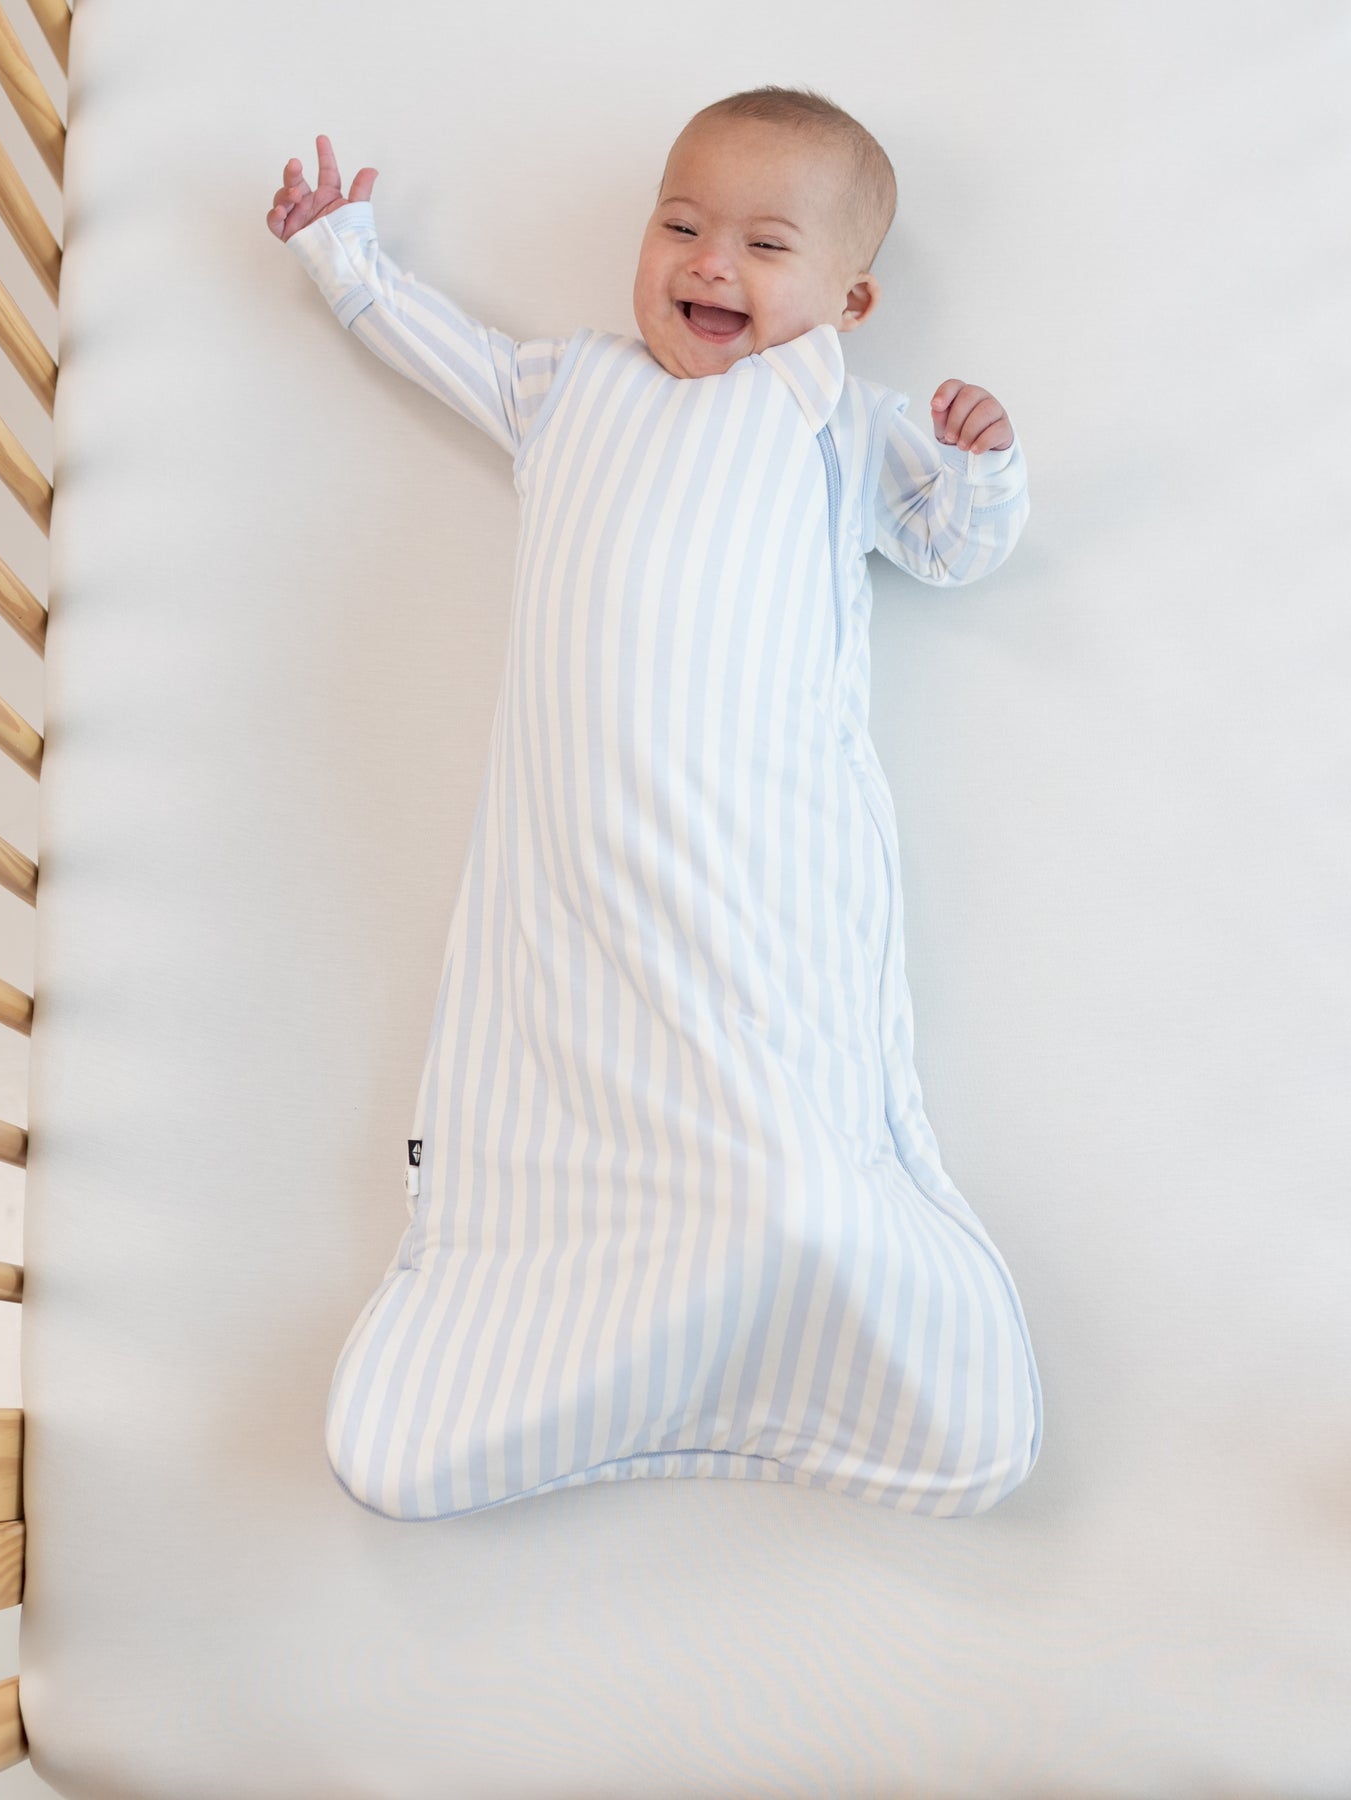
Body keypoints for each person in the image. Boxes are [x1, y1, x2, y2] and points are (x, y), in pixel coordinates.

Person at [270, 89, 1043, 1523]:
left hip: (752, 835)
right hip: (580, 846)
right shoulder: (573, 387)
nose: (709, 265)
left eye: (764, 244)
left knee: (768, 1090)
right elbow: (436, 350)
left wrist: (982, 465)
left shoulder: (833, 416)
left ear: (847, 299)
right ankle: (579, 1322)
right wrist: (344, 257)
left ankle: (812, 1283)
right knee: (574, 1065)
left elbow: (946, 546)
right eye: (681, 226)